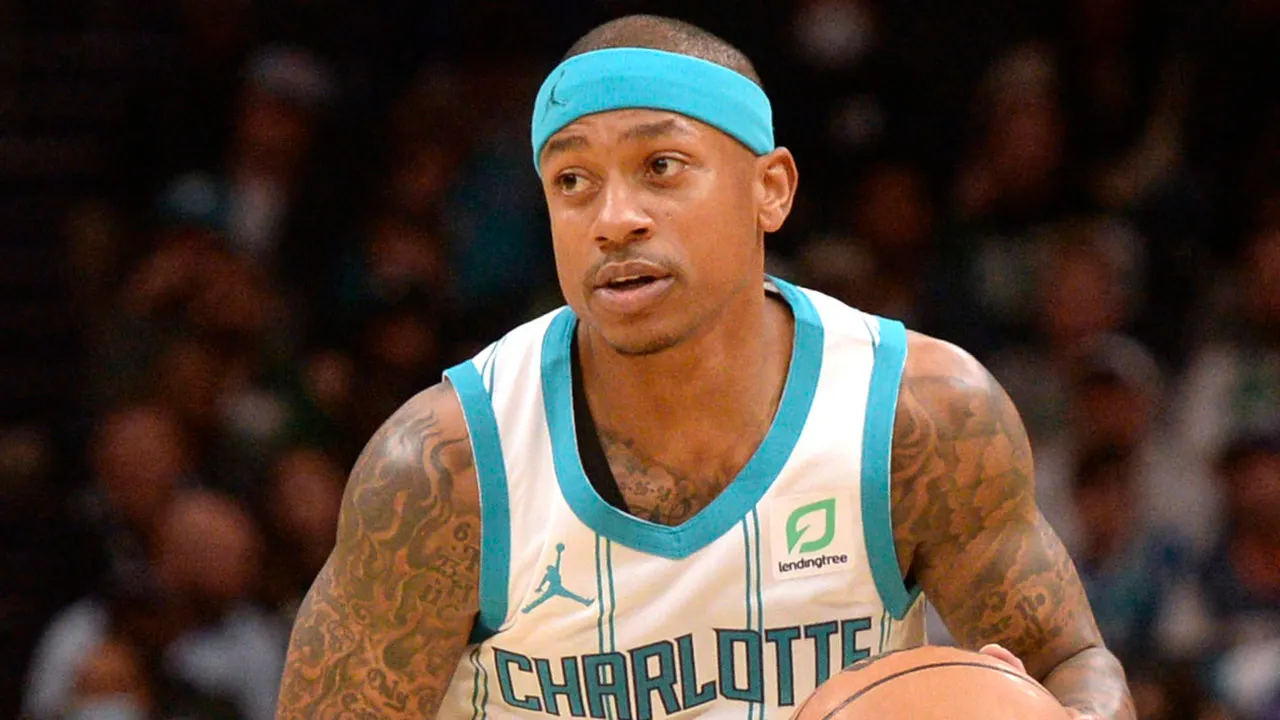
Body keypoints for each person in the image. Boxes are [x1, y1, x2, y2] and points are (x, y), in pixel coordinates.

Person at [275, 15, 1134, 720]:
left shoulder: (921, 419)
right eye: (573, 181)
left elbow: (1067, 660)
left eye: (660, 167)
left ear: (772, 189)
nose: (614, 218)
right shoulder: (443, 470)